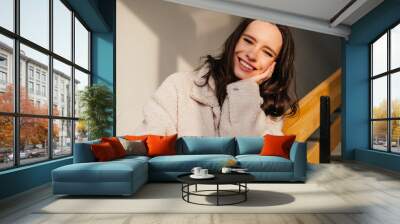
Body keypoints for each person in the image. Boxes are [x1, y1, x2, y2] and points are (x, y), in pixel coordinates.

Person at [134, 18, 298, 137]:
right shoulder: (178, 86)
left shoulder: (271, 113)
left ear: (274, 66)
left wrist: (245, 91)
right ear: (234, 41)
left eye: (267, 52)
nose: (252, 55)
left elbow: (242, 160)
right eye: (248, 41)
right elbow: (149, 141)